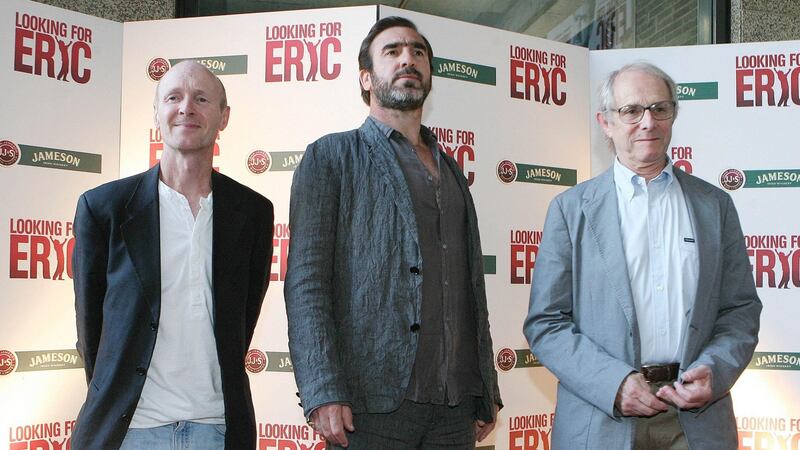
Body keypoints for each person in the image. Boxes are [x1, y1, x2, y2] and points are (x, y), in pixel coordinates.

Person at [285, 16, 502, 449]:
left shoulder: (451, 167)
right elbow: (306, 282)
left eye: (418, 52)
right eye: (393, 51)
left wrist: (485, 388)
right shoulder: (331, 156)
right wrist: (323, 388)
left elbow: (467, 287)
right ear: (365, 78)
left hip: (455, 404)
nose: (409, 59)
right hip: (370, 405)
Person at [524, 61, 762, 450]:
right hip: (602, 419)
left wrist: (714, 372)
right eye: (631, 111)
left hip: (698, 422)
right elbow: (546, 324)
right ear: (606, 123)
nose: (648, 122)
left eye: (659, 108)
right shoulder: (571, 210)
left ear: (673, 116)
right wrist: (612, 383)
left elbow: (740, 309)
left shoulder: (715, 206)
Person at [71, 61, 274, 449]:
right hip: (128, 432)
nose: (186, 108)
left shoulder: (253, 211)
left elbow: (244, 317)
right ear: (157, 113)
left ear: (223, 117)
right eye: (174, 97)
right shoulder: (104, 208)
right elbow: (90, 326)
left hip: (217, 428)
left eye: (201, 98)